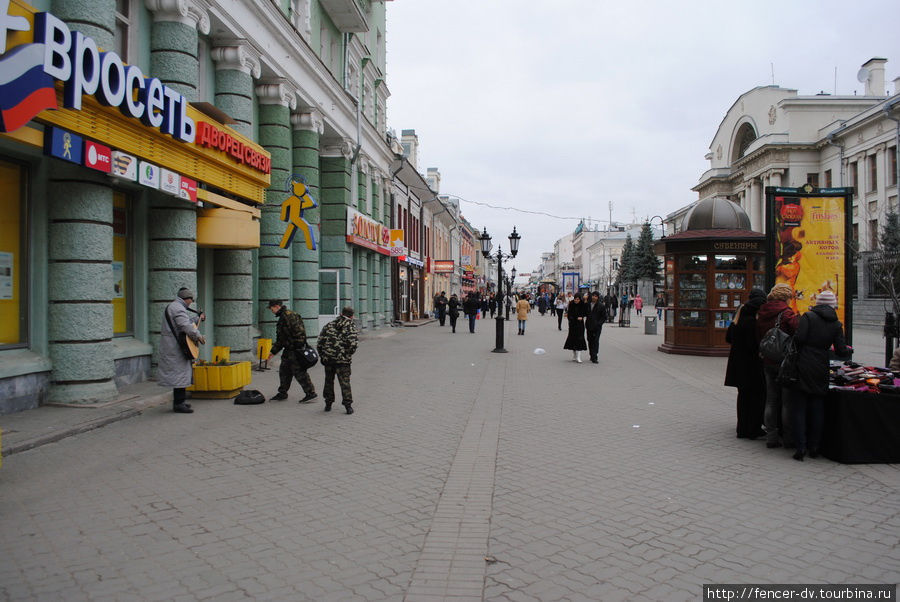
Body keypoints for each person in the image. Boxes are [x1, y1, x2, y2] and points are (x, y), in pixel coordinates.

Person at [788, 290, 850, 461]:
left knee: (799, 408)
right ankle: (814, 446)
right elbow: (841, 351)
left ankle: (800, 447)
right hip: (821, 365)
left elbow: (799, 338)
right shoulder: (836, 324)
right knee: (817, 407)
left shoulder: (808, 317)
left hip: (803, 364)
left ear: (818, 302)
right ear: (832, 305)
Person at [755, 283, 800, 449]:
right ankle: (788, 438)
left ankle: (771, 437)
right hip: (785, 362)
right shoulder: (787, 313)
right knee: (787, 402)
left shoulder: (762, 311)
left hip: (768, 360)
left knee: (771, 400)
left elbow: (759, 335)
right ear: (786, 297)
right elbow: (797, 333)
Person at [724, 288, 767, 439]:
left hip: (738, 364)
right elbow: (754, 345)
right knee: (757, 396)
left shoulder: (739, 317)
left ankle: (741, 428)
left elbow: (728, 338)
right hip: (753, 365)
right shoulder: (754, 322)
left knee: (743, 396)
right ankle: (753, 429)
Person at [158, 288, 205, 413]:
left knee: (180, 373)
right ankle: (179, 404)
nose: (191, 303)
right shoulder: (177, 308)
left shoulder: (175, 307)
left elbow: (186, 322)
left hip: (175, 346)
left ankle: (180, 401)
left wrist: (197, 319)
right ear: (188, 298)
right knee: (179, 374)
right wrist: (199, 336)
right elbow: (185, 326)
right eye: (191, 300)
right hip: (175, 347)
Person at [267, 299, 317, 403]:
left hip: (294, 350)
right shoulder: (287, 315)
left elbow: (296, 333)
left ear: (276, 306)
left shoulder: (287, 316)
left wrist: (297, 348)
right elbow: (283, 338)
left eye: (271, 308)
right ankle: (282, 392)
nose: (271, 311)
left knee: (299, 372)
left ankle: (311, 393)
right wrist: (273, 351)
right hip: (289, 349)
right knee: (284, 371)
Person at [317, 306, 359, 414]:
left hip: (329, 359)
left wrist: (323, 355)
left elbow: (320, 342)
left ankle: (328, 403)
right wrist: (347, 355)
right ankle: (348, 406)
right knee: (345, 382)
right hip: (343, 361)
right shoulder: (350, 326)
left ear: (341, 313)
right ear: (352, 316)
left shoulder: (329, 325)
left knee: (328, 381)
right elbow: (353, 344)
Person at [585, 291, 608, 364]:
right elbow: (584, 313)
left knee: (595, 341)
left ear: (598, 297)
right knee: (590, 340)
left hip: (597, 327)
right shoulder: (588, 304)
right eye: (593, 296)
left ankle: (594, 356)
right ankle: (591, 354)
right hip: (589, 326)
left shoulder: (601, 306)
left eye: (595, 296)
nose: (594, 297)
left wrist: (599, 324)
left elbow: (604, 317)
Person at [563, 293, 587, 362]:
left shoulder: (582, 304)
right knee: (573, 340)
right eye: (575, 299)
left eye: (578, 299)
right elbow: (569, 314)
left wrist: (581, 316)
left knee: (580, 340)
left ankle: (578, 357)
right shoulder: (571, 304)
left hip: (580, 325)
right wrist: (573, 319)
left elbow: (585, 312)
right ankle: (574, 355)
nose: (576, 301)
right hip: (572, 325)